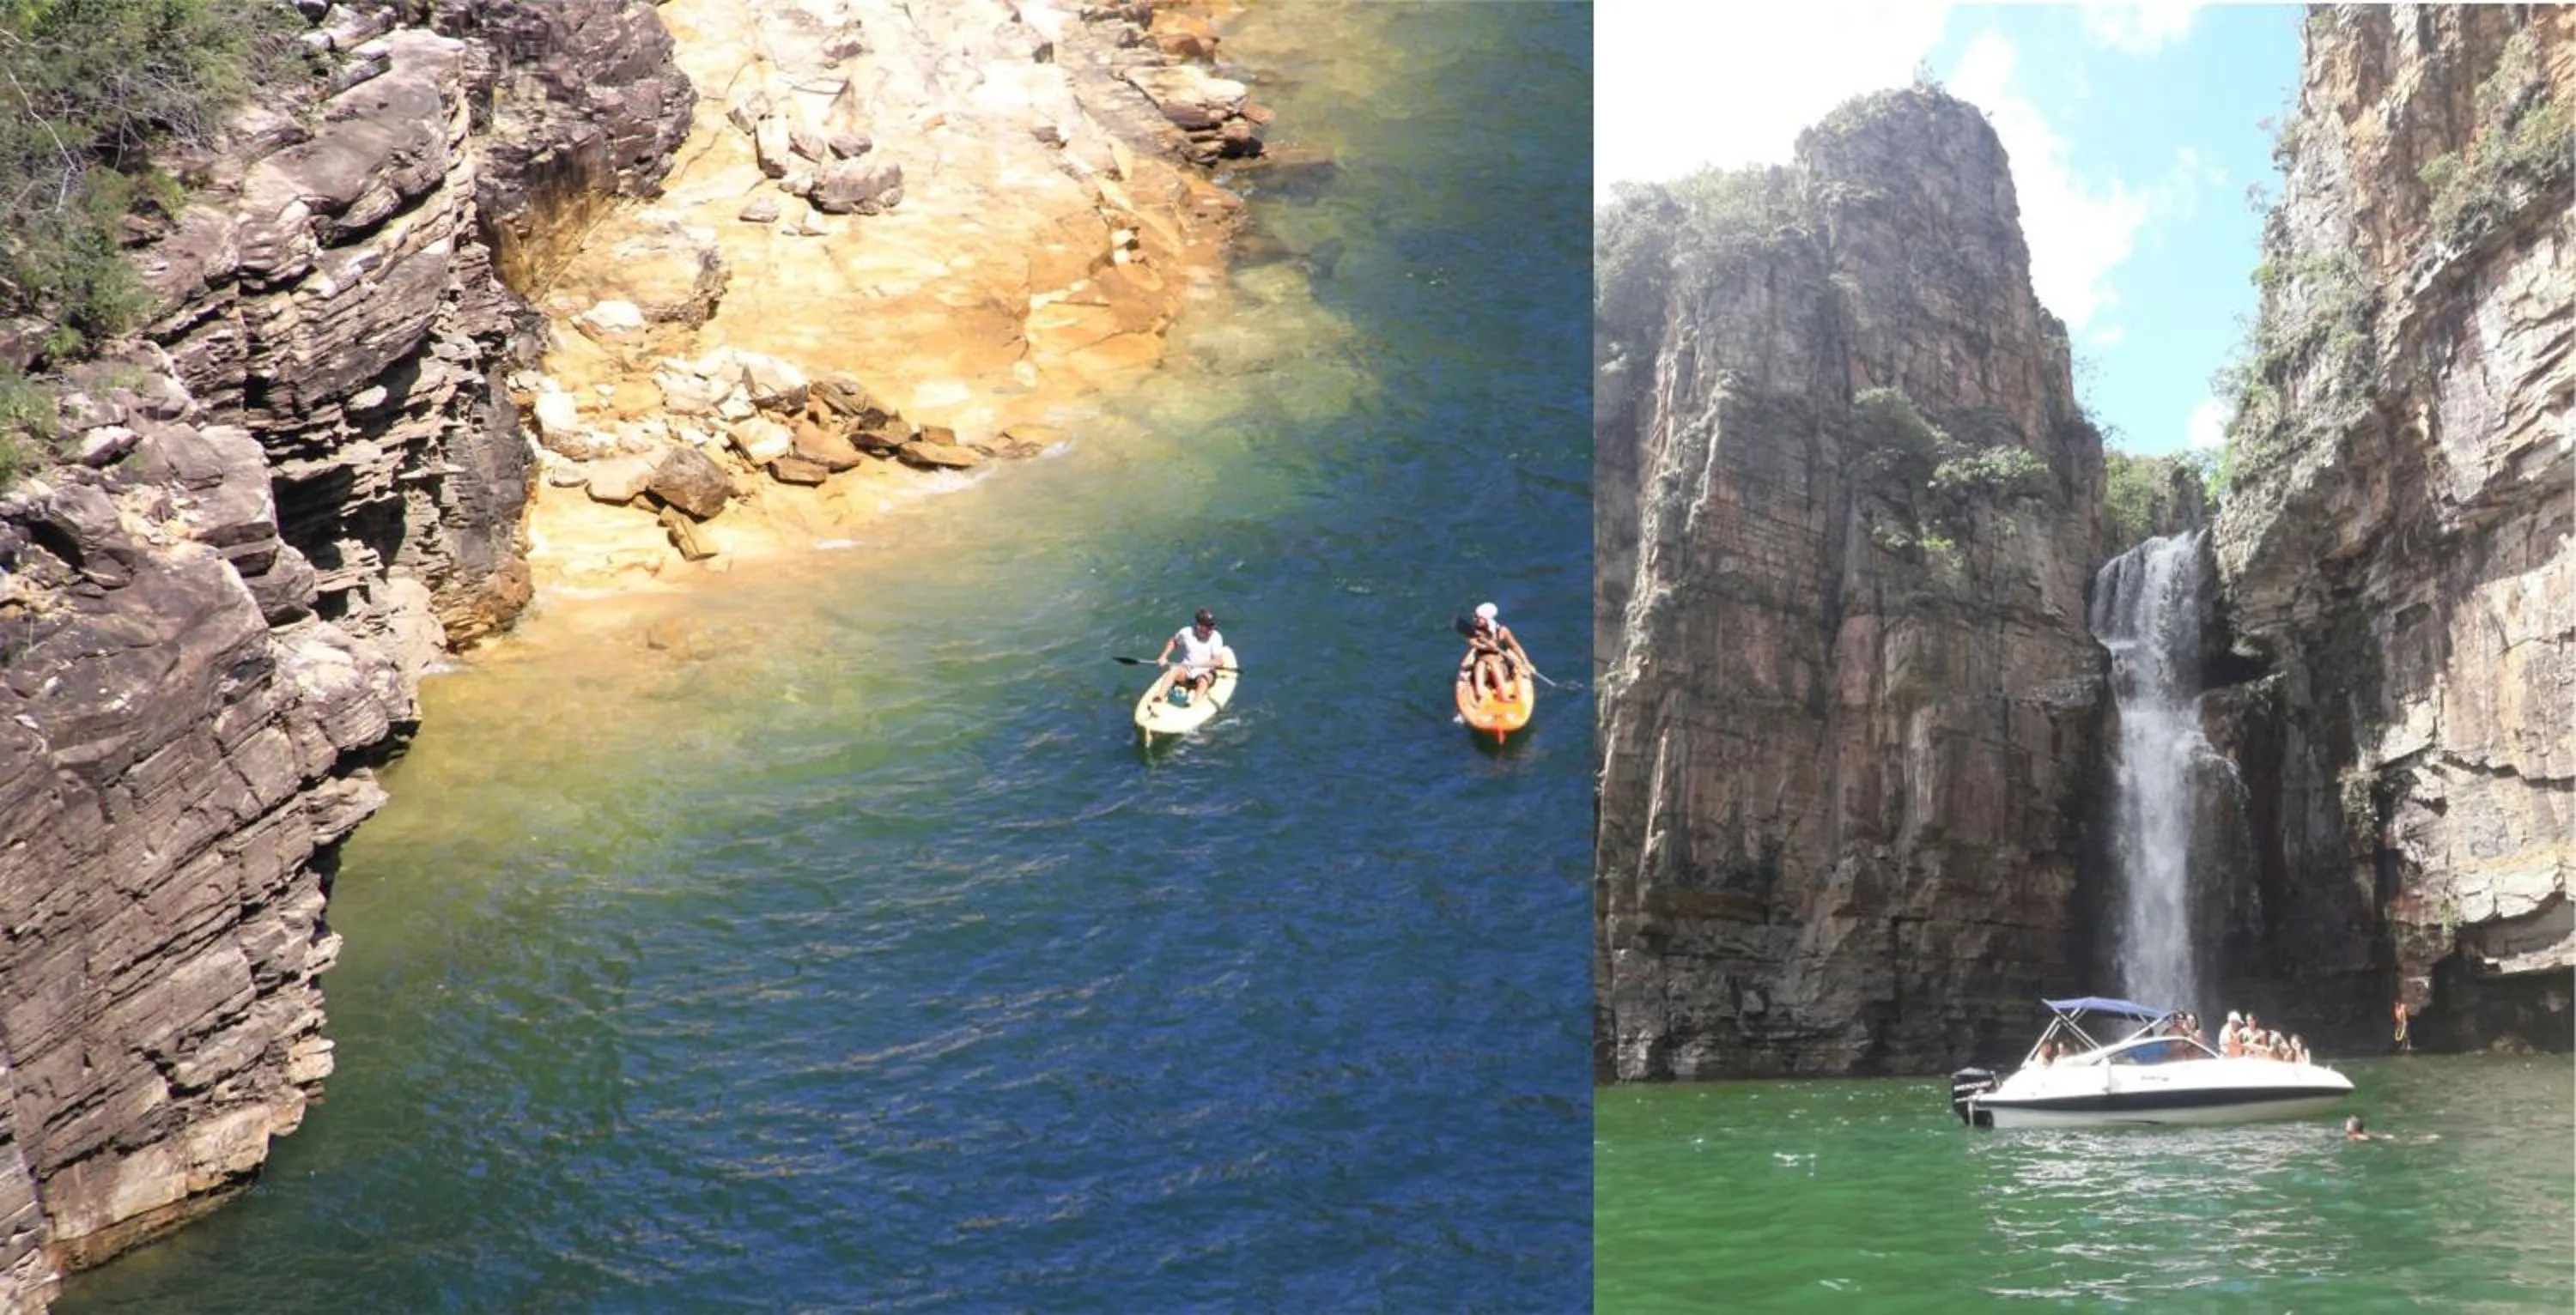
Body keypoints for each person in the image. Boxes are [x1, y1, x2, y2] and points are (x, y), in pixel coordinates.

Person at [1154, 608, 1232, 704]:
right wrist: (1163, 656)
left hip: (1205, 673)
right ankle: (1160, 696)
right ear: (1199, 626)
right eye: (1208, 626)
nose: (1211, 629)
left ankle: (1195, 705)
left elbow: (1218, 661)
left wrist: (1197, 664)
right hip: (1186, 672)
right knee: (1174, 668)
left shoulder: (1216, 637)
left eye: (1212, 626)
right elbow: (1174, 642)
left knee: (1203, 680)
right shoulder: (1186, 632)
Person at [1461, 602, 1532, 699]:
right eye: (1474, 616)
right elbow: (1473, 643)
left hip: (1500, 666)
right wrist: (1486, 647)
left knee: (1493, 663)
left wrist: (1526, 662)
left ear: (1486, 619)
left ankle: (1503, 694)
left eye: (1477, 617)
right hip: (1482, 663)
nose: (1474, 619)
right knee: (1482, 663)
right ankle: (1480, 692)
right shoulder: (1473, 630)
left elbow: (1515, 646)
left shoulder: (1502, 631)